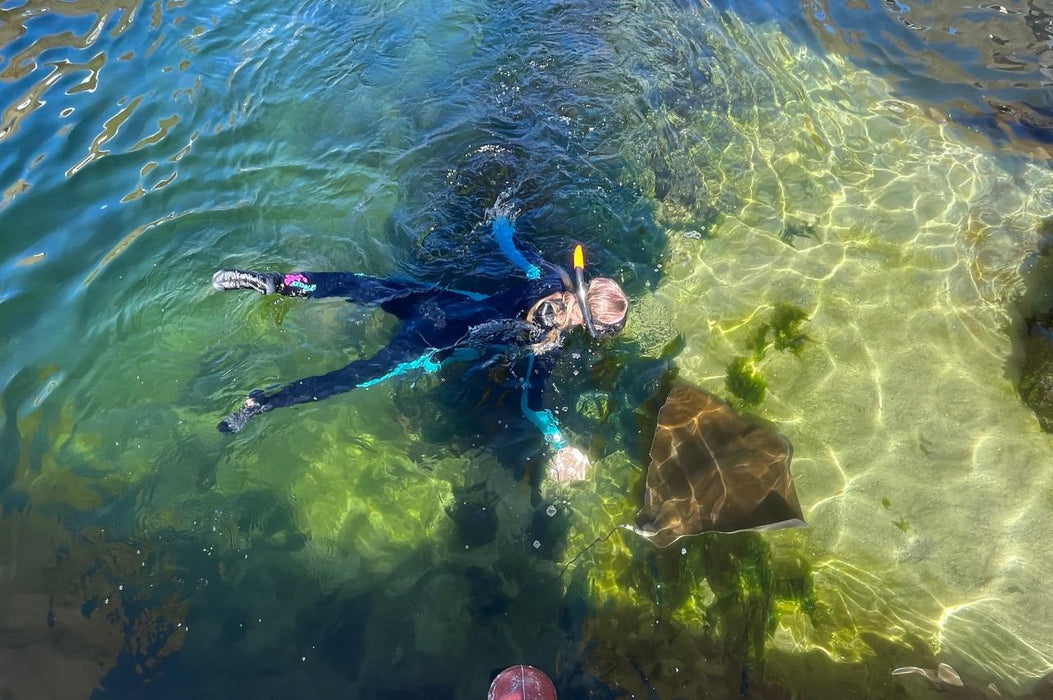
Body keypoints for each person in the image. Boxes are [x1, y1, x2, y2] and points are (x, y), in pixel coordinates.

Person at [211, 205, 629, 482]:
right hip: (431, 342)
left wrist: (502, 215)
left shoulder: (549, 276)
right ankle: (262, 403)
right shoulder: (548, 343)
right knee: (355, 377)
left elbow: (509, 243)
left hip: (435, 301)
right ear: (592, 329)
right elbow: (531, 406)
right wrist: (560, 444)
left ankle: (278, 283)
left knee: (364, 287)